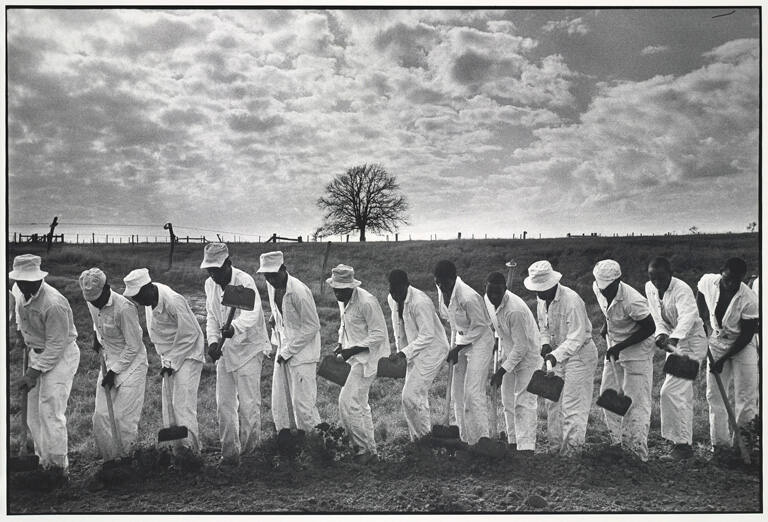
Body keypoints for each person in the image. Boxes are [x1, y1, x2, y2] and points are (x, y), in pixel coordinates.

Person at [123, 268, 205, 468]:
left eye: (139, 296)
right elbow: (159, 333)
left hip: (188, 353)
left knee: (183, 403)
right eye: (134, 298)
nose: (138, 302)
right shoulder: (149, 298)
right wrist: (166, 361)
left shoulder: (173, 301)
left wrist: (172, 362)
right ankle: (177, 451)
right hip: (169, 356)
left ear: (149, 288)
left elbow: (190, 334)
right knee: (169, 404)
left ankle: (192, 454)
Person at [10, 254, 80, 488]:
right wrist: (21, 333)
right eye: (20, 281)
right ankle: (43, 462)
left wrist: (33, 372)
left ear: (38, 279)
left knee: (50, 410)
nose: (23, 285)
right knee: (32, 413)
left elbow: (56, 345)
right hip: (35, 351)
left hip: (61, 356)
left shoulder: (54, 303)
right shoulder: (18, 290)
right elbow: (19, 314)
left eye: (28, 281)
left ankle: (59, 469)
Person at [202, 243, 271, 467]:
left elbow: (253, 314)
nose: (213, 275)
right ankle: (229, 454)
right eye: (209, 271)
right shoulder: (209, 285)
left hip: (249, 348)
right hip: (225, 351)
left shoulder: (244, 281)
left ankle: (251, 455)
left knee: (249, 404)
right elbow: (212, 316)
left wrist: (235, 328)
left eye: (217, 270)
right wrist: (213, 342)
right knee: (224, 403)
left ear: (228, 264)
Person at [524, 260, 598, 456]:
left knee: (573, 406)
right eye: (536, 289)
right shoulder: (542, 301)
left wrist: (554, 355)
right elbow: (544, 328)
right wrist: (545, 343)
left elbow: (577, 337)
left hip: (579, 355)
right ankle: (555, 451)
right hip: (556, 355)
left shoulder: (572, 301)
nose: (539, 293)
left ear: (553, 283)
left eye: (542, 289)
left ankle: (572, 455)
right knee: (553, 404)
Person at [79, 268, 148, 467]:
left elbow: (134, 346)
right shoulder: (92, 300)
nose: (94, 304)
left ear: (107, 288)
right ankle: (110, 462)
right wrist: (95, 336)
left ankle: (125, 461)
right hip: (108, 361)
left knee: (122, 418)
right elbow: (96, 321)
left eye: (97, 299)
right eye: (90, 300)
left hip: (132, 365)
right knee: (101, 416)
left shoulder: (125, 308)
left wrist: (115, 371)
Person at [592, 260, 655, 462]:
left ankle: (637, 453)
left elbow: (649, 328)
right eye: (601, 287)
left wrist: (620, 347)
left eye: (607, 288)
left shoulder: (633, 301)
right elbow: (607, 311)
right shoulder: (598, 287)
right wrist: (606, 326)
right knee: (607, 395)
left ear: (618, 281)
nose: (603, 292)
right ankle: (617, 444)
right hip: (616, 346)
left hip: (637, 351)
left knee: (636, 402)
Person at [645, 256, 707, 461]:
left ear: (670, 274)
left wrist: (673, 337)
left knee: (674, 391)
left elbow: (688, 317)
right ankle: (678, 443)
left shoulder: (682, 289)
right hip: (675, 344)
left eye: (661, 278)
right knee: (672, 393)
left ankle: (683, 446)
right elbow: (656, 317)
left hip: (691, 342)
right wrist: (661, 334)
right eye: (652, 278)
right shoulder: (650, 288)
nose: (657, 283)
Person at [696, 257, 759, 460]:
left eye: (736, 281)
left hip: (742, 345)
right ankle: (720, 448)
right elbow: (700, 291)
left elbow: (747, 334)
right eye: (727, 279)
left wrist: (723, 359)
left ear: (742, 279)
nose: (731, 284)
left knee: (746, 396)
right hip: (716, 340)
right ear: (721, 272)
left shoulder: (749, 299)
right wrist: (701, 317)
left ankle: (744, 447)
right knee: (714, 396)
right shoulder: (709, 281)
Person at [327, 264, 389, 464]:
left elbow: (379, 334)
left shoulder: (367, 302)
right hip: (353, 359)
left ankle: (362, 450)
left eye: (340, 289)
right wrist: (340, 345)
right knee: (361, 406)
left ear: (351, 286)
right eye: (334, 289)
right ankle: (371, 451)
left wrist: (353, 349)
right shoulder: (344, 300)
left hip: (367, 360)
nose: (337, 293)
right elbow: (345, 325)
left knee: (347, 402)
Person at [257, 251, 322, 434]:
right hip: (285, 345)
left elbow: (312, 326)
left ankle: (315, 443)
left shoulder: (299, 292)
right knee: (281, 400)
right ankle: (290, 440)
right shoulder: (272, 286)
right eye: (267, 276)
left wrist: (288, 351)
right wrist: (275, 317)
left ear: (283, 269)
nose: (270, 280)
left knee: (302, 404)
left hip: (303, 353)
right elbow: (282, 311)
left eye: (274, 275)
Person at [433, 260, 494, 446]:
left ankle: (482, 439)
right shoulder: (442, 291)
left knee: (472, 392)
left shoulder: (468, 297)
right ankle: (464, 440)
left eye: (444, 283)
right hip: (460, 339)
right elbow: (451, 320)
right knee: (457, 392)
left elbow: (481, 327)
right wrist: (455, 346)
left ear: (453, 279)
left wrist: (458, 348)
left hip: (480, 341)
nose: (441, 287)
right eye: (438, 283)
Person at [386, 269, 449, 442]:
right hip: (413, 351)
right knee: (413, 396)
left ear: (407, 285)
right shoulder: (392, 298)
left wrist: (403, 353)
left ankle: (425, 440)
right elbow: (398, 328)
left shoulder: (420, 302)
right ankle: (419, 440)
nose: (395, 295)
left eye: (398, 290)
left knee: (411, 395)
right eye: (392, 291)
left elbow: (427, 335)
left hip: (433, 350)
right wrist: (401, 355)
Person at [485, 271, 541, 456]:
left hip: (528, 355)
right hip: (509, 352)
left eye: (497, 293)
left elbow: (522, 347)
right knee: (508, 400)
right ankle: (512, 442)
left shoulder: (514, 310)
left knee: (524, 401)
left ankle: (526, 449)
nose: (493, 296)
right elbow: (496, 325)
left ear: (505, 290)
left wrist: (501, 372)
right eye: (490, 291)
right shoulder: (488, 300)